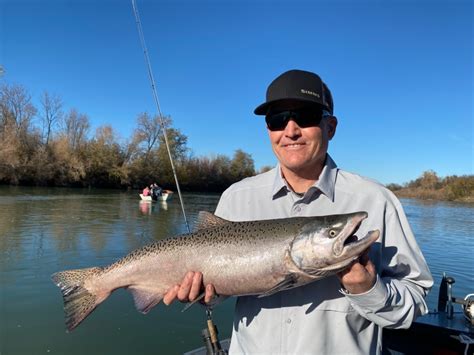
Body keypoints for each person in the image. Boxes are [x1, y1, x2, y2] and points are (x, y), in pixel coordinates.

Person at [163, 69, 433, 354]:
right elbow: (219, 291)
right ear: (268, 130)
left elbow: (416, 298)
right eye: (278, 119)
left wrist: (368, 290)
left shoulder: (377, 201)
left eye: (305, 116)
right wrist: (202, 295)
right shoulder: (235, 197)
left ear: (330, 126)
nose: (290, 130)